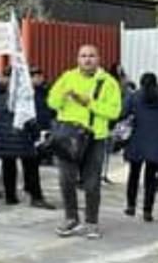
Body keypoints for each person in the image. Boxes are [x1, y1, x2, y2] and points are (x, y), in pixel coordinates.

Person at [47, 45, 122, 240]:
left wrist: (89, 103)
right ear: (77, 59)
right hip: (67, 138)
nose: (87, 59)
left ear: (98, 59)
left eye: (91, 56)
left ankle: (91, 222)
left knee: (92, 183)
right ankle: (71, 218)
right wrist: (62, 96)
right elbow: (52, 103)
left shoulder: (108, 82)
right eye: (83, 56)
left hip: (94, 138)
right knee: (66, 180)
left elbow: (114, 112)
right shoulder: (67, 77)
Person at [0, 74, 53, 209]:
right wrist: (36, 133)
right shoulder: (20, 93)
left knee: (8, 166)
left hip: (2, 134)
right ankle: (36, 196)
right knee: (31, 165)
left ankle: (10, 196)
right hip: (20, 135)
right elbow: (26, 116)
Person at [121, 73, 158, 223]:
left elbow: (122, 114)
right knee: (151, 179)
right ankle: (147, 211)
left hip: (137, 141)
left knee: (134, 174)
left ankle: (131, 206)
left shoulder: (134, 97)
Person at [31, 68, 56, 166]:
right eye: (35, 77)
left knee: (47, 142)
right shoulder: (28, 92)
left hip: (46, 122)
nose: (38, 79)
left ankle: (47, 158)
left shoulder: (47, 90)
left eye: (40, 77)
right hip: (34, 123)